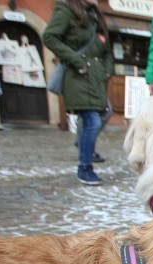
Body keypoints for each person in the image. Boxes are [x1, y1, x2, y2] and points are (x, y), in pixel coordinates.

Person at [44, 0, 114, 185]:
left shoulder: (94, 14)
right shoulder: (67, 10)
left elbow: (106, 50)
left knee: (104, 114)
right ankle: (85, 167)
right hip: (79, 76)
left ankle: (83, 146)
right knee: (91, 121)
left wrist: (107, 71)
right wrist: (76, 61)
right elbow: (49, 37)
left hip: (96, 78)